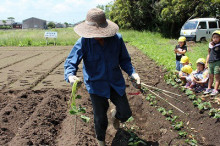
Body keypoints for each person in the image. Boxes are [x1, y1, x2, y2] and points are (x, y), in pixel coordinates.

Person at [64, 8, 141, 146]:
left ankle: (115, 115)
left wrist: (133, 73)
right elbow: (71, 62)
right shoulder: (83, 42)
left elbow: (124, 60)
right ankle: (101, 142)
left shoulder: (117, 39)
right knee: (100, 119)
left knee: (125, 113)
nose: (96, 35)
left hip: (115, 82)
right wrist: (70, 76)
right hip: (96, 85)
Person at [204, 30, 220, 96]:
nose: (215, 39)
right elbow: (209, 54)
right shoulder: (210, 45)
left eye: (217, 37)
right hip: (211, 62)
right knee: (210, 76)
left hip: (217, 62)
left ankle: (215, 89)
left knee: (217, 76)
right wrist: (206, 62)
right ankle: (209, 88)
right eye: (214, 37)